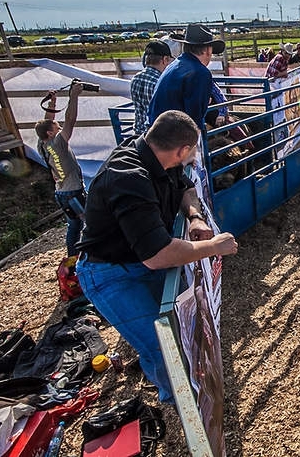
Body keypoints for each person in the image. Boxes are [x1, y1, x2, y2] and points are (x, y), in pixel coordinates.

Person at [76, 110, 238, 404]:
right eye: (190, 153)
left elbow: (185, 187)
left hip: (137, 259)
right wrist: (214, 246)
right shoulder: (128, 177)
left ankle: (191, 389)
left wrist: (195, 217)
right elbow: (158, 255)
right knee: (162, 348)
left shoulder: (159, 156)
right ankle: (183, 406)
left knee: (179, 330)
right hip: (110, 273)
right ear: (182, 150)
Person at [35, 81, 86, 257]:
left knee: (73, 225)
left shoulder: (42, 143)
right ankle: (85, 257)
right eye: (57, 127)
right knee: (87, 224)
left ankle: (73, 257)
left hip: (62, 192)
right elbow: (70, 120)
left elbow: (47, 122)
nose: (60, 127)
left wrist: (52, 103)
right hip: (73, 194)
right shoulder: (58, 144)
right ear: (51, 133)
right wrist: (73, 97)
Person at [149, 23, 225, 132]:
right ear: (207, 50)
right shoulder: (200, 72)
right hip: (175, 135)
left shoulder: (175, 65)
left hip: (158, 129)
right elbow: (195, 116)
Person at [131, 41, 173, 135]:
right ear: (164, 59)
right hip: (158, 135)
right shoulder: (162, 81)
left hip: (139, 133)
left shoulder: (136, 78)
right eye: (169, 60)